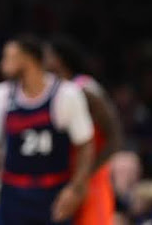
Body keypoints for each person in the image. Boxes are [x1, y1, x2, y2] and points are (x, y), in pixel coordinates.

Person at [0, 34, 94, 224]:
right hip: (13, 192)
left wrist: (76, 189)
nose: (2, 64)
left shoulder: (66, 95)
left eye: (9, 57)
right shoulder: (0, 96)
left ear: (28, 58)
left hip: (53, 193)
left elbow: (85, 146)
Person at [44, 35, 123, 225]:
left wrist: (89, 171)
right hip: (64, 175)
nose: (42, 60)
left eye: (47, 55)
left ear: (59, 59)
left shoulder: (86, 88)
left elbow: (115, 136)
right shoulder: (52, 90)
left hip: (91, 176)